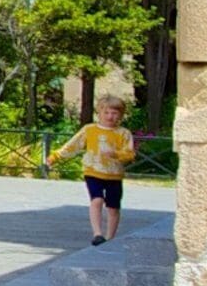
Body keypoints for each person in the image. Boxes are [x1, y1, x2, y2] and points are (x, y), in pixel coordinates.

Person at [41, 94, 138, 245]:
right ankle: (97, 233)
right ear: (99, 113)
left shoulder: (123, 133)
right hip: (93, 170)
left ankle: (110, 237)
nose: (110, 116)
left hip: (114, 174)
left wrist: (116, 154)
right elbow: (74, 145)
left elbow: (130, 154)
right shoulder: (89, 130)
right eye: (106, 113)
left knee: (113, 207)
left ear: (120, 115)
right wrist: (56, 156)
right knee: (97, 199)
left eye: (114, 113)